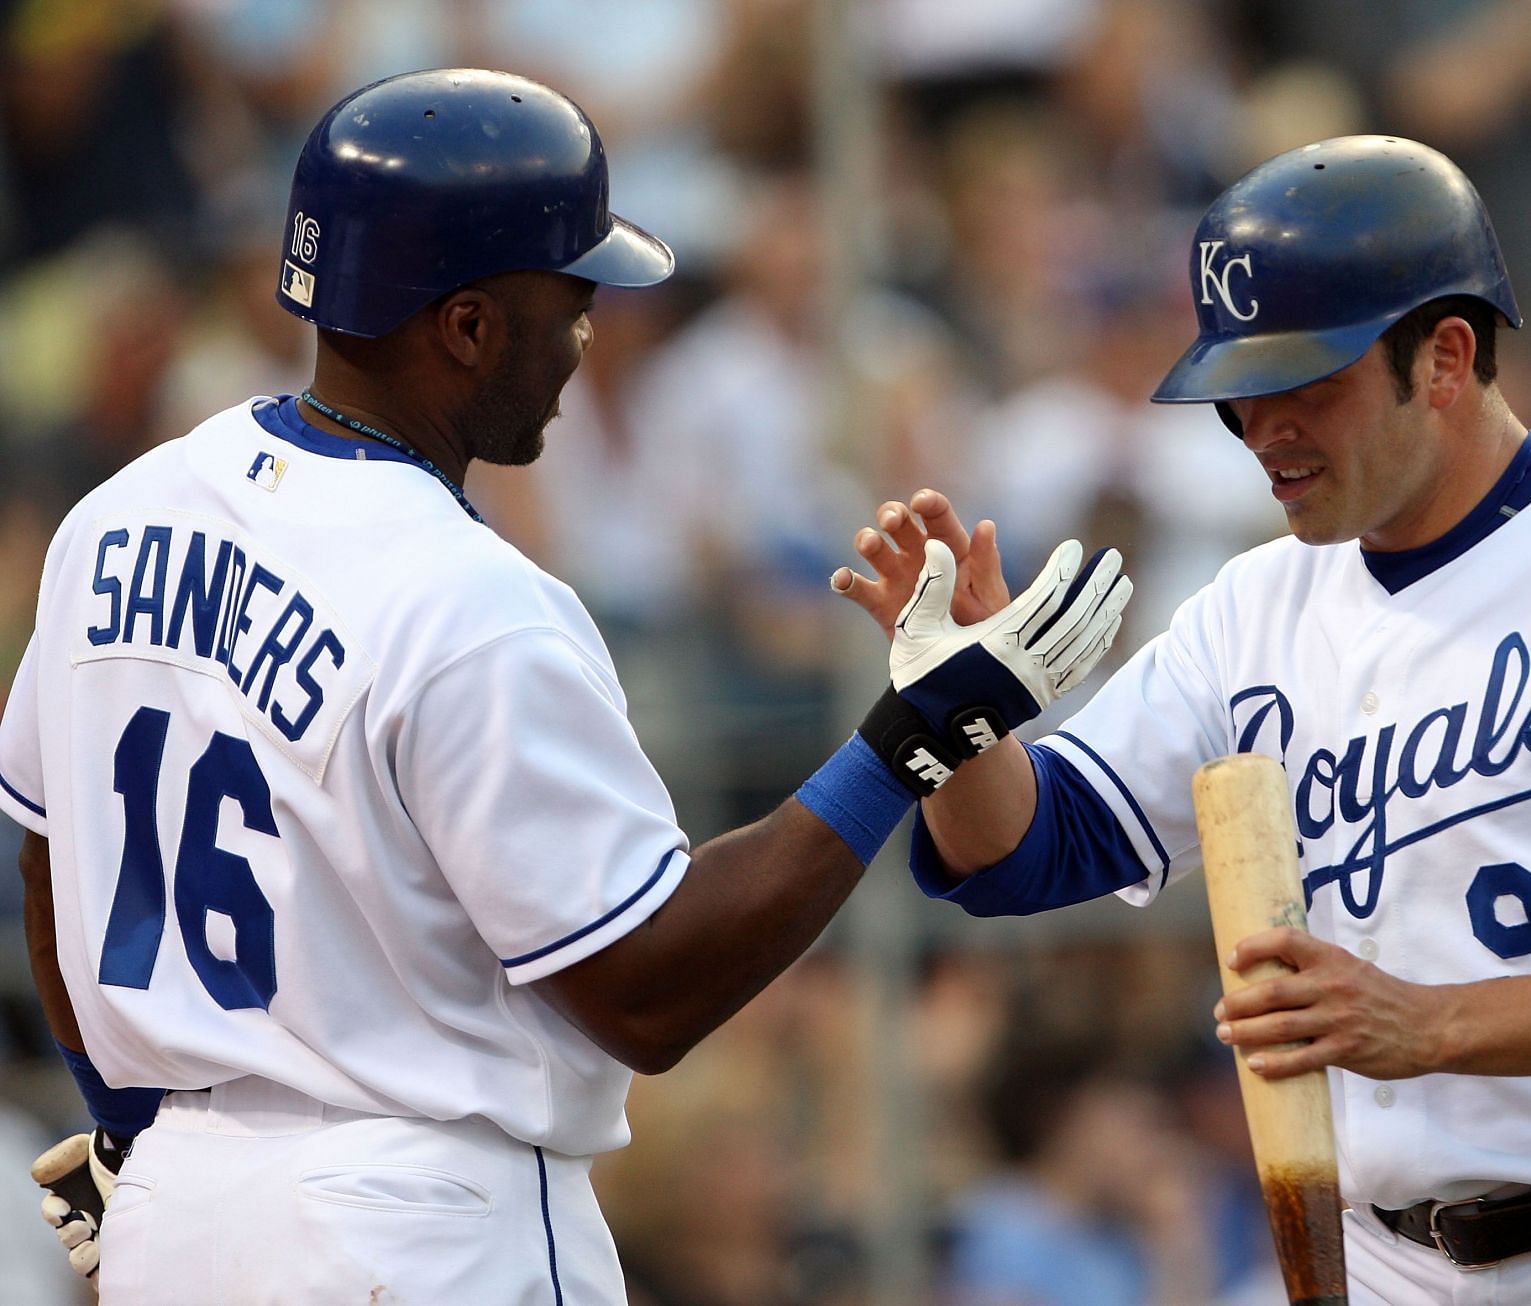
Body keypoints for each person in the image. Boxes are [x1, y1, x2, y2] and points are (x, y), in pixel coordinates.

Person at [0, 69, 1131, 1302]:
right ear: (469, 326)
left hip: (176, 1211)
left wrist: (126, 1123)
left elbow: (50, 864)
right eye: (572, 298)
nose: (593, 333)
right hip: (418, 1227)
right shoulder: (468, 598)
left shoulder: (115, 520)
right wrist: (910, 740)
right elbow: (646, 993)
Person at [833, 135, 1531, 1302]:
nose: (1262, 429)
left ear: (1443, 356)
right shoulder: (1252, 608)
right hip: (1391, 1263)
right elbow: (1025, 852)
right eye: (1240, 394)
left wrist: (1429, 1024)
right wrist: (958, 714)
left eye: (1304, 383)